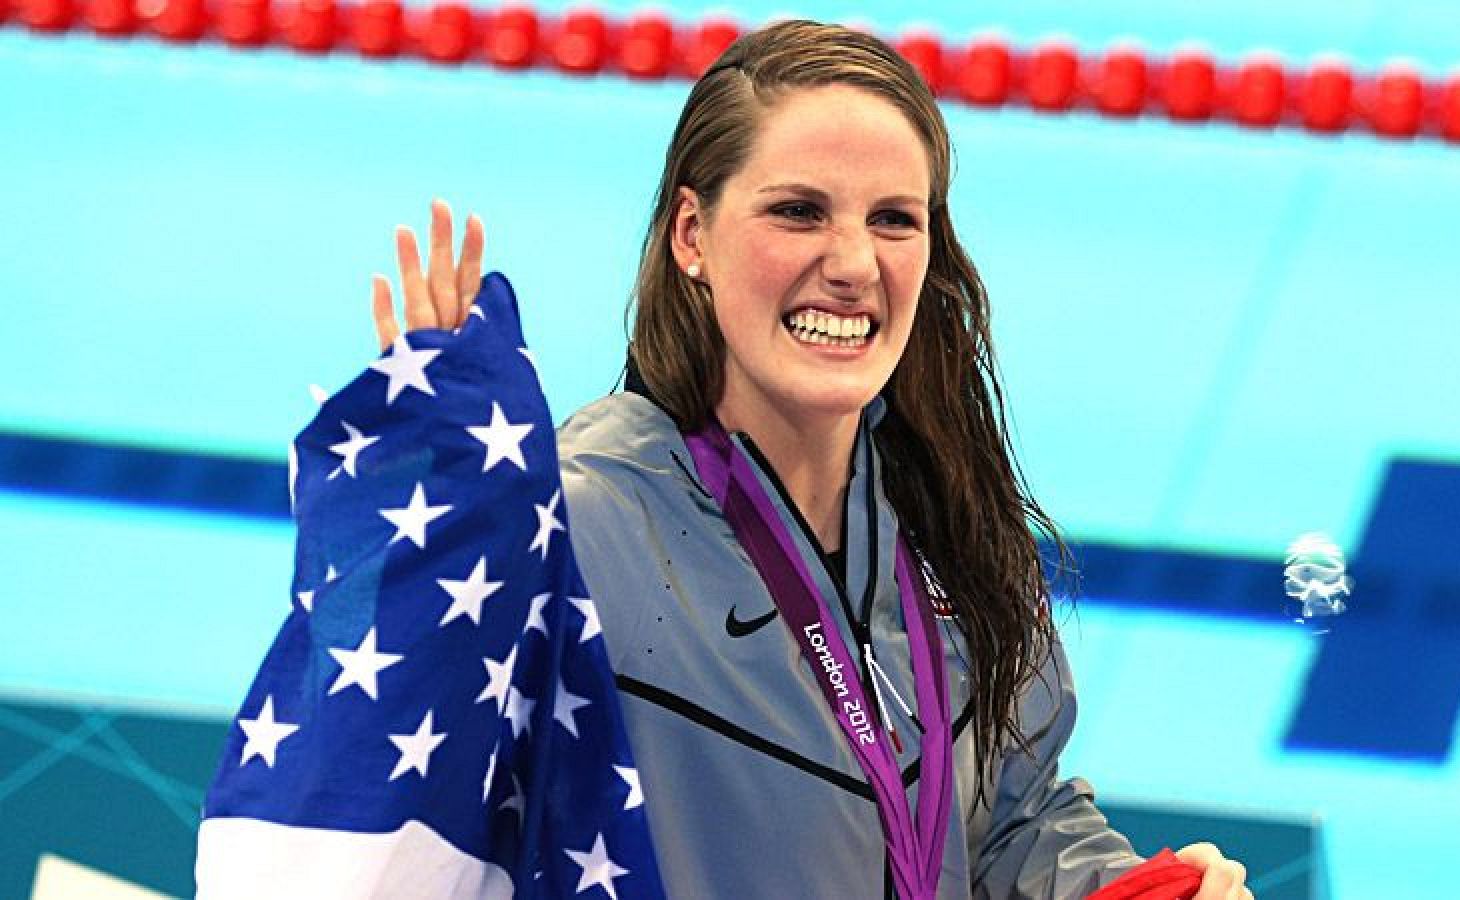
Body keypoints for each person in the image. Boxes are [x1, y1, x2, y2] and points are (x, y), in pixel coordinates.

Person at [224, 19, 1253, 900]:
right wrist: (436, 521)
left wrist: (1126, 887)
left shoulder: (953, 526)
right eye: (798, 211)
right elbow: (390, 758)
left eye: (892, 220)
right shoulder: (583, 520)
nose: (852, 264)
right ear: (692, 235)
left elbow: (1011, 822)